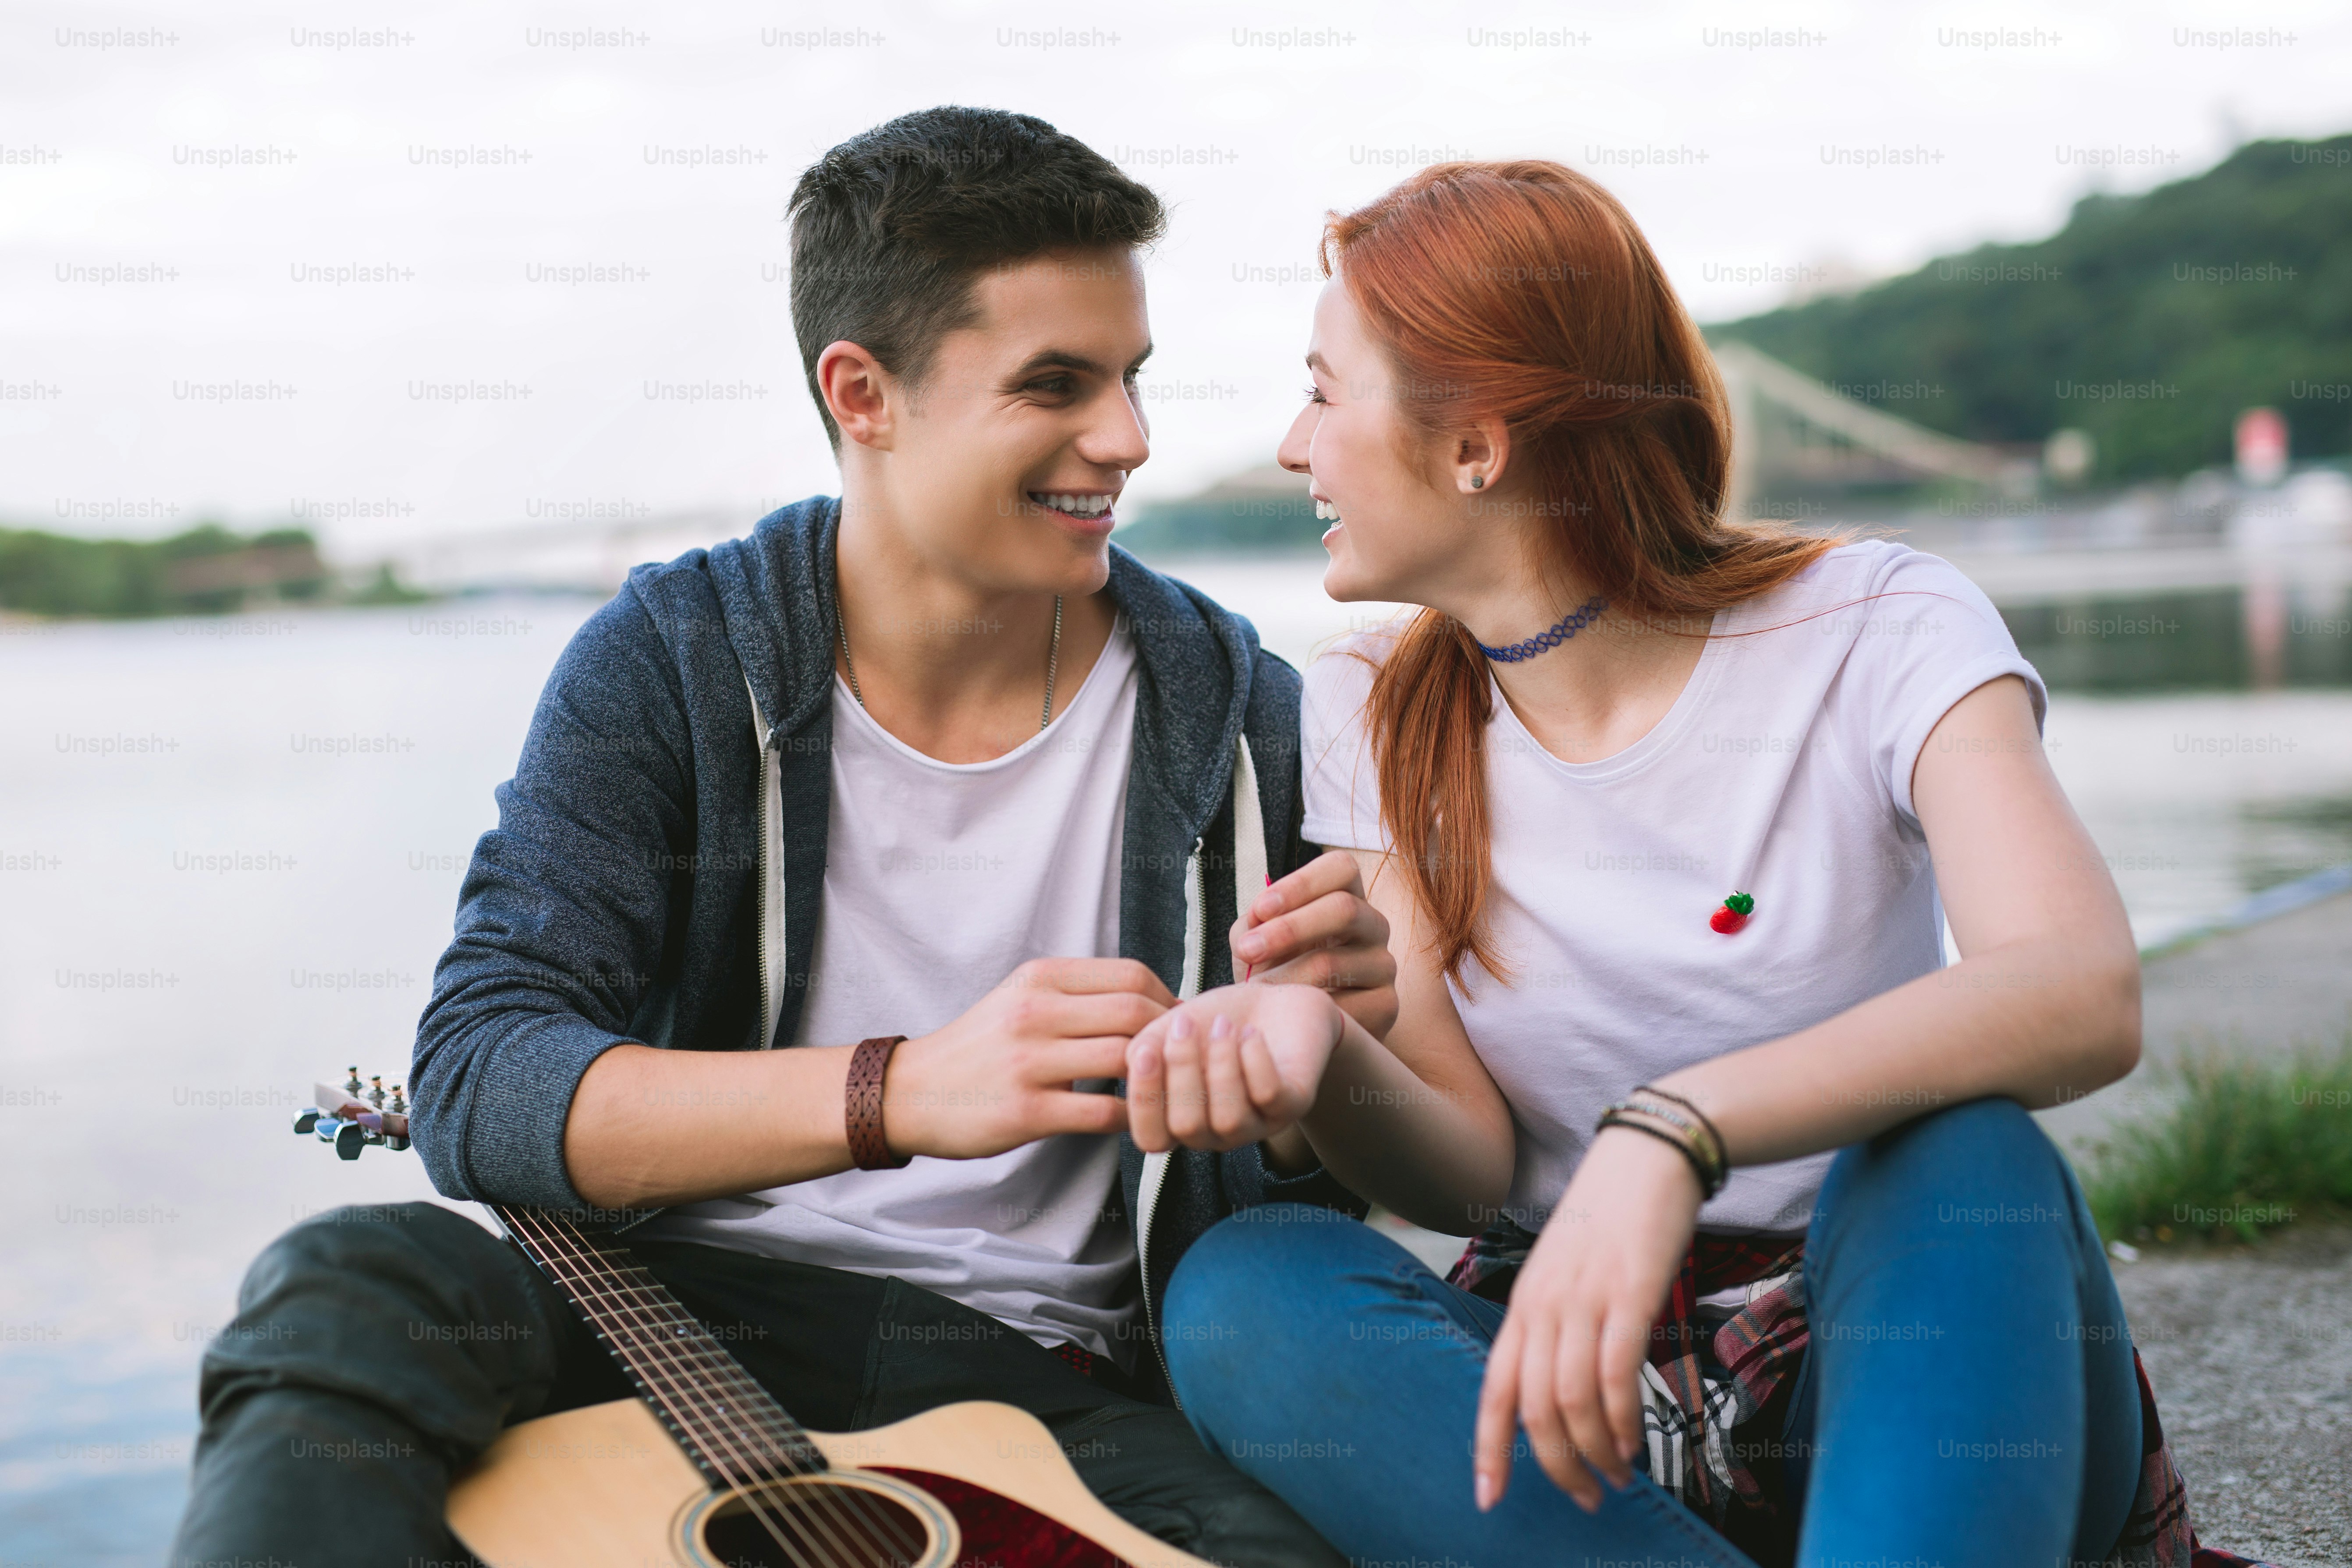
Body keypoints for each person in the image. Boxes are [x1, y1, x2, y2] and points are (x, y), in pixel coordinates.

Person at [168, 108, 1391, 1568]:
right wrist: (906, 1088)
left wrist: (1324, 1076)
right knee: (351, 1278)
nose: (1127, 438)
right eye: (1055, 384)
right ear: (862, 393)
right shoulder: (674, 661)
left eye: (1131, 378)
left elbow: (1309, 1184)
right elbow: (478, 1076)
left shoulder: (1240, 709)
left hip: (1042, 1374)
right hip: (671, 1302)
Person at [1117, 161, 2223, 1568]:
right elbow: (1469, 1173)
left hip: (1889, 1346)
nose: (1293, 444)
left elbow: (2077, 988)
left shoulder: (1881, 622)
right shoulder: (1369, 699)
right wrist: (1320, 1047)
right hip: (1589, 1387)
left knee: (1961, 1153)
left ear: (1478, 447)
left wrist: (1673, 1128)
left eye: (1327, 390)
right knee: (1246, 1284)